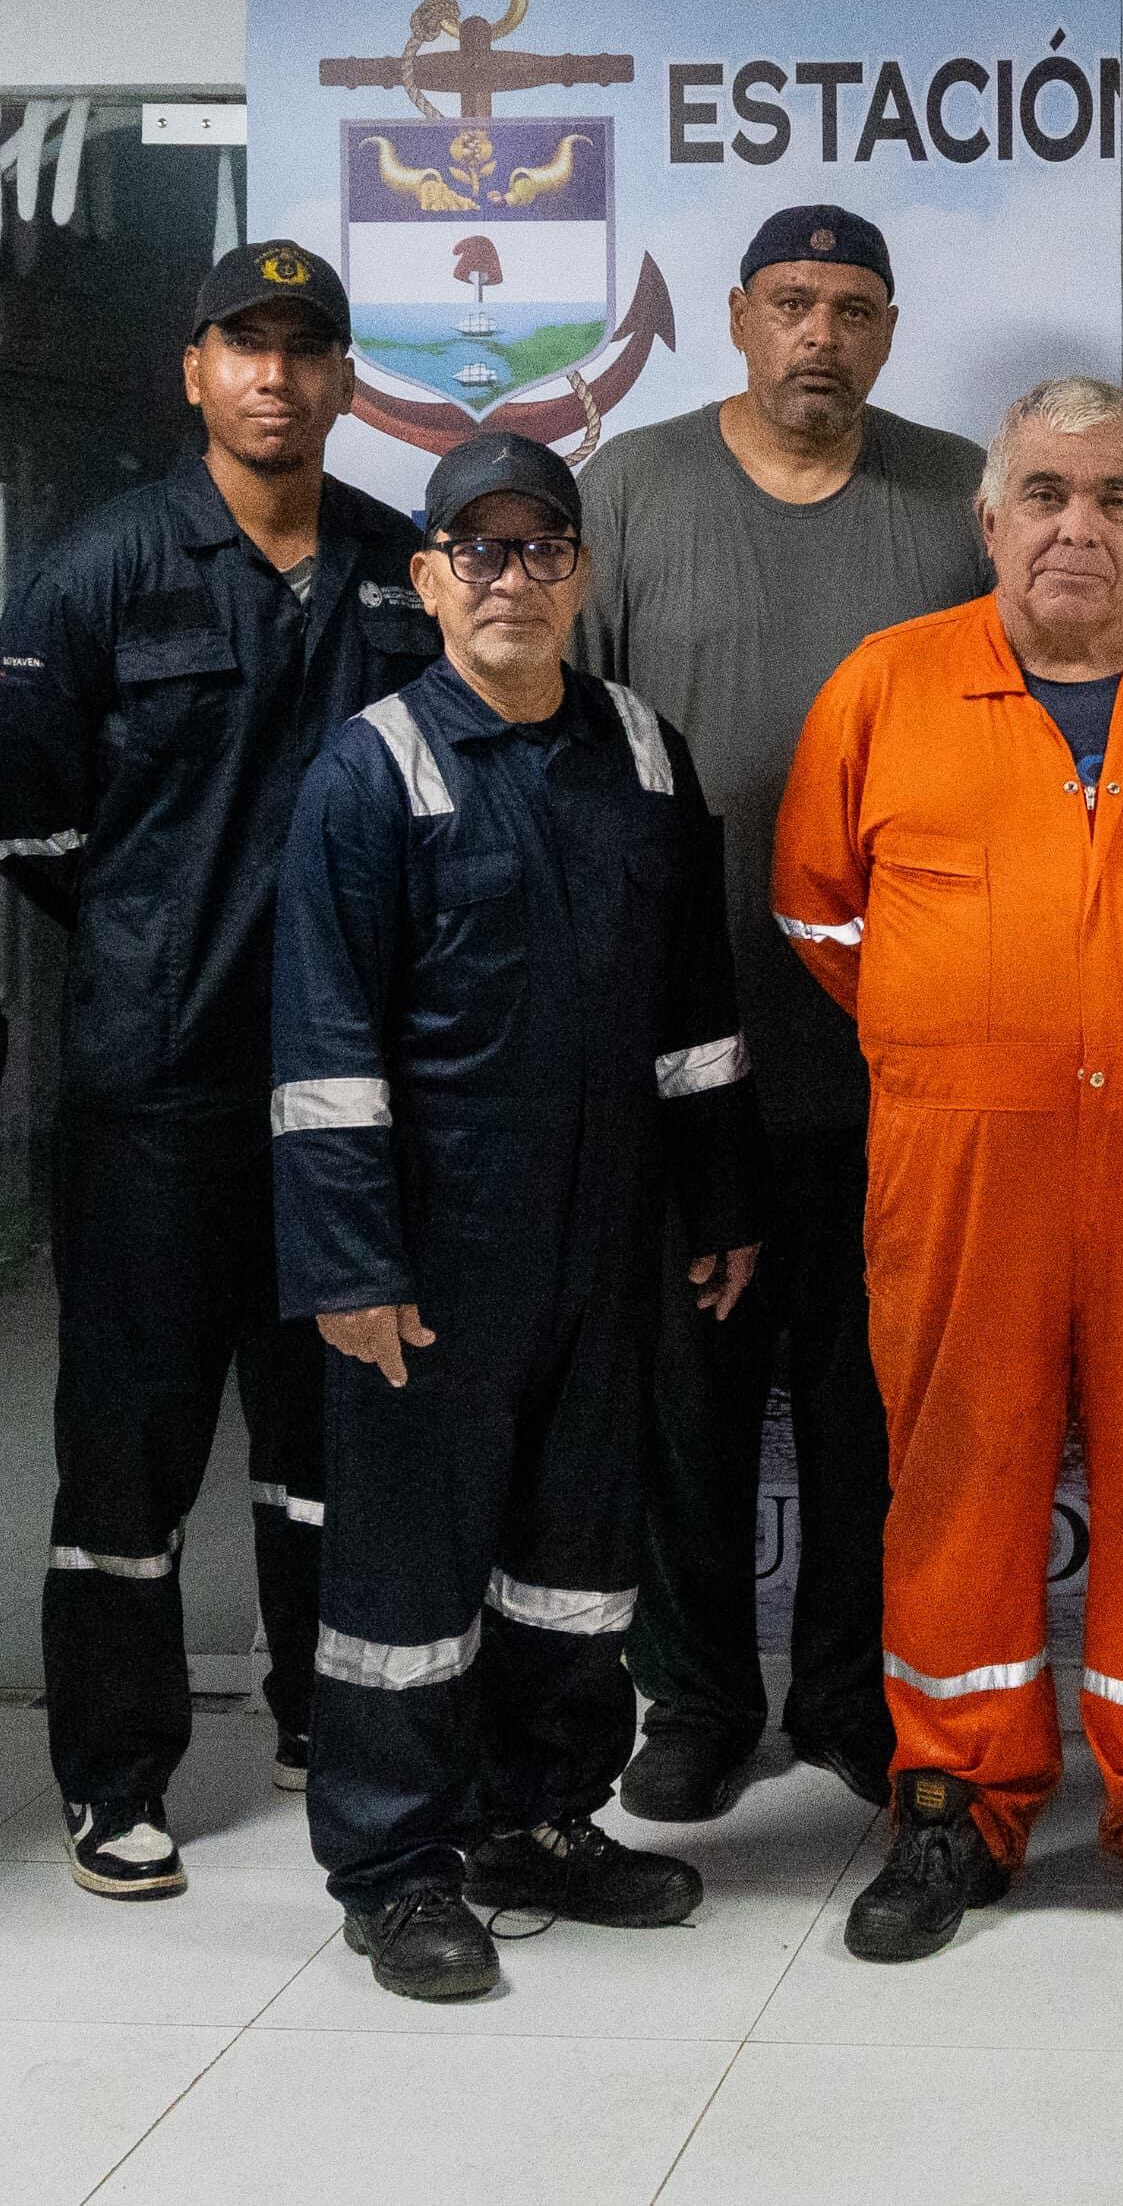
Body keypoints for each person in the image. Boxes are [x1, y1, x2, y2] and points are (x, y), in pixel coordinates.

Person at [773, 377, 1123, 1969]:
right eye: (1047, 493)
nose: (1079, 525)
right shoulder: (883, 690)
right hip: (960, 1166)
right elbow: (821, 915)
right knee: (955, 1480)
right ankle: (955, 1795)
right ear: (988, 513)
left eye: (1117, 497)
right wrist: (971, 1033)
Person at [270, 432, 767, 2001]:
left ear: (581, 572)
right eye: (475, 551)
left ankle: (539, 1816)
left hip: (610, 1222)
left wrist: (725, 1195)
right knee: (408, 1574)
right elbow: (324, 1045)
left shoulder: (642, 748)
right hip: (434, 1239)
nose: (510, 577)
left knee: (578, 1554)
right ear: (425, 579)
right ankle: (394, 1861)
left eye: (539, 547)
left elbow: (697, 1012)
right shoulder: (373, 766)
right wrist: (349, 1258)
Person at [0, 240, 439, 1897]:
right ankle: (118, 1774)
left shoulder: (407, 569)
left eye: (306, 348)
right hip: (160, 1098)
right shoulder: (99, 571)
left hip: (355, 1097)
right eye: (243, 344)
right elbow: (33, 828)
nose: (275, 375)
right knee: (131, 1450)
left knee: (334, 1435)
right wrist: (168, 944)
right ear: (194, 371)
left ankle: (325, 1715)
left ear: (339, 378)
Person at [577, 203, 987, 1825]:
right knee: (690, 1405)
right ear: (737, 316)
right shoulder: (631, 489)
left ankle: (848, 1693)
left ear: (890, 330)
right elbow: (573, 753)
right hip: (693, 1056)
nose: (821, 332)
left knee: (872, 1406)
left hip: (903, 1055)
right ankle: (690, 1698)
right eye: (793, 302)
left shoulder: (955, 502)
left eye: (855, 308)